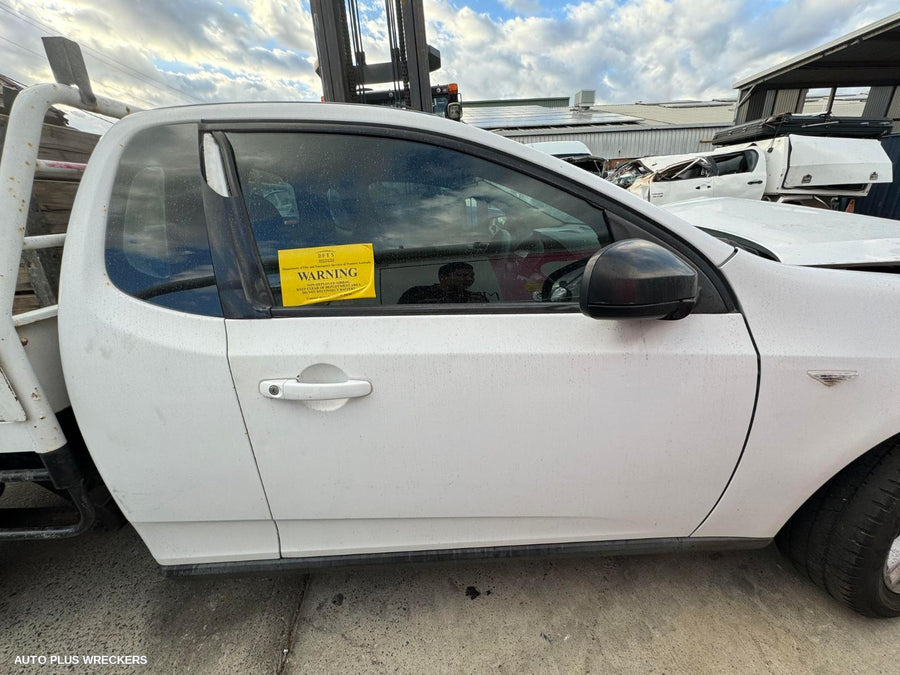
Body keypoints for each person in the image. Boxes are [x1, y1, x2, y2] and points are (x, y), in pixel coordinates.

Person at [398, 262, 490, 304]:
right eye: (463, 275)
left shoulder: (477, 299)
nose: (469, 279)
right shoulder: (416, 294)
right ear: (443, 277)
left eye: (472, 276)